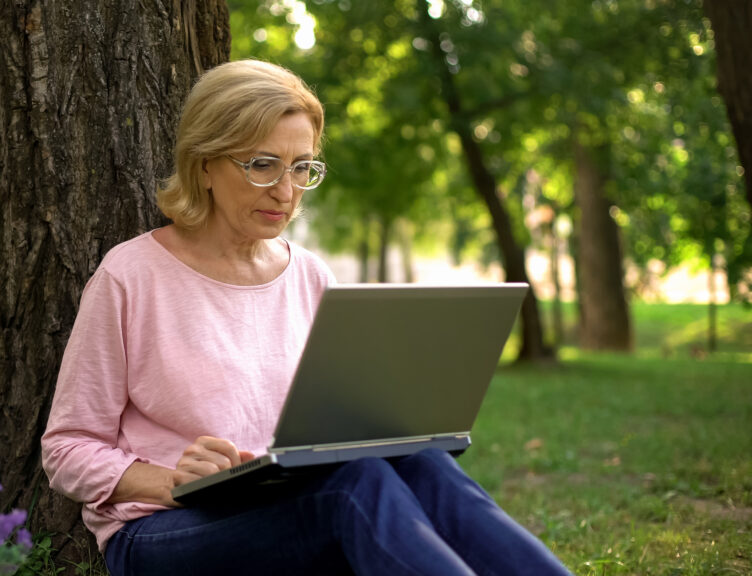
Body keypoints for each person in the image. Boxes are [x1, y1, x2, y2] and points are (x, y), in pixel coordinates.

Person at [41, 59, 572, 576]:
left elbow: (340, 425)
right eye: (262, 164)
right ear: (204, 165)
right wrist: (171, 479)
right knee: (354, 486)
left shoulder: (310, 276)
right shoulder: (131, 276)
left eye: (301, 168)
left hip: (293, 502)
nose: (286, 191)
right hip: (165, 533)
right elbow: (66, 449)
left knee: (421, 463)